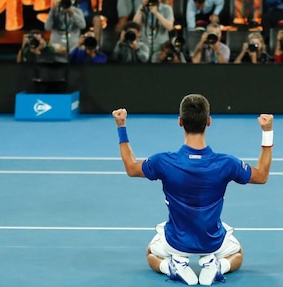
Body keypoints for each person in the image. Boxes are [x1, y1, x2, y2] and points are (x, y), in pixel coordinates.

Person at [112, 95, 273, 285]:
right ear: (208, 121)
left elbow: (131, 168)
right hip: (212, 241)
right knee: (237, 254)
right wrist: (267, 131)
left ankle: (173, 266)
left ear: (180, 122)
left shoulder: (163, 161)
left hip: (176, 243)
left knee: (150, 253)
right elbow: (261, 176)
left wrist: (121, 126)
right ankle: (217, 266)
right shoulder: (226, 163)